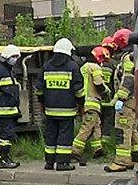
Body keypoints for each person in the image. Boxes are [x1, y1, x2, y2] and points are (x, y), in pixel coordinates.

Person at [35, 38, 84, 171]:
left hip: (50, 110)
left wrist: (42, 102)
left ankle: (49, 162)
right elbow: (78, 90)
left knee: (51, 135)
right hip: (67, 111)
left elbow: (39, 88)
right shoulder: (73, 67)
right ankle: (62, 163)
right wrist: (81, 104)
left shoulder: (46, 66)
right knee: (64, 136)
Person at [105, 28, 138, 172]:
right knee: (134, 131)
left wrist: (120, 98)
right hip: (134, 101)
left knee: (122, 131)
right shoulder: (135, 55)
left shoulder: (127, 57)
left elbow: (128, 80)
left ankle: (121, 162)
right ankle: (136, 158)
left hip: (127, 102)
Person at [71, 46, 111, 165]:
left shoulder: (83, 67)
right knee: (87, 127)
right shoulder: (95, 67)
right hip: (92, 103)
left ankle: (97, 150)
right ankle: (75, 152)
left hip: (85, 102)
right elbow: (98, 83)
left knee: (96, 126)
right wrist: (107, 92)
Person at [98, 35, 118, 154]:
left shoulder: (96, 63)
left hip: (97, 99)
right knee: (108, 122)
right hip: (109, 99)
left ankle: (98, 144)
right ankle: (106, 145)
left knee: (97, 123)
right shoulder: (113, 64)